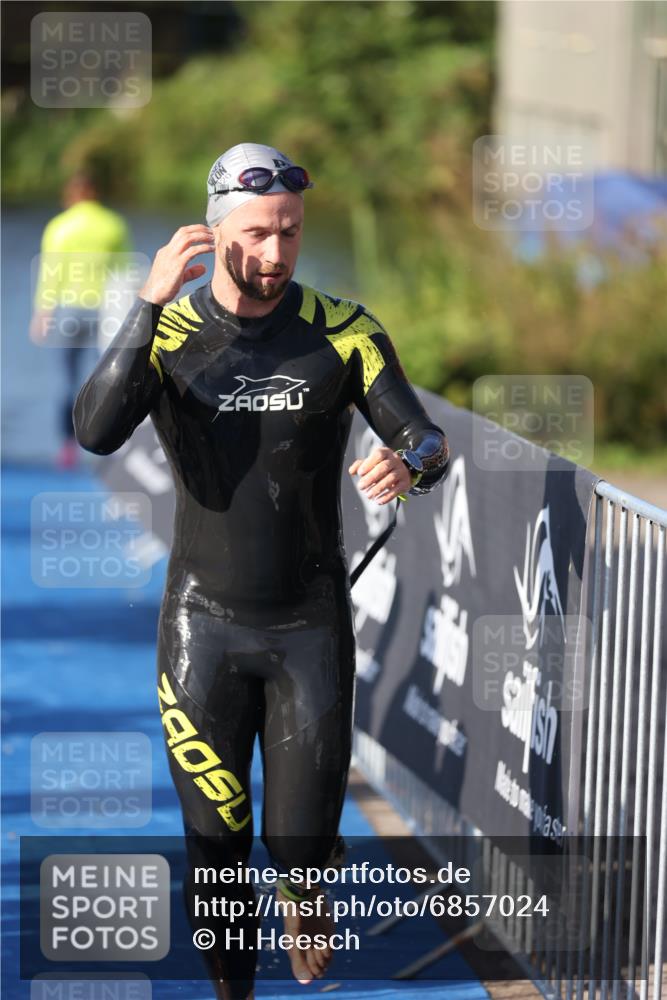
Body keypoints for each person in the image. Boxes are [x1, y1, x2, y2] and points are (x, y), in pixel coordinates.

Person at [73, 142, 451, 999]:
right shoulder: (170, 332)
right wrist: (145, 304)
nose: (276, 253)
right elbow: (95, 430)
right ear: (213, 232)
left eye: (290, 231)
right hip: (200, 626)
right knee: (215, 851)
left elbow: (424, 438)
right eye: (255, 234)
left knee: (298, 845)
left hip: (307, 627)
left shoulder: (344, 330)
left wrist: (409, 463)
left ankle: (305, 889)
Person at [30, 169, 132, 468]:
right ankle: (111, 444)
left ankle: (67, 447)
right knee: (110, 381)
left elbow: (50, 273)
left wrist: (42, 312)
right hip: (106, 310)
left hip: (69, 311)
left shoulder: (59, 226)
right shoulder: (113, 224)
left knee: (67, 380)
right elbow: (126, 271)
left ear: (71, 195)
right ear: (95, 193)